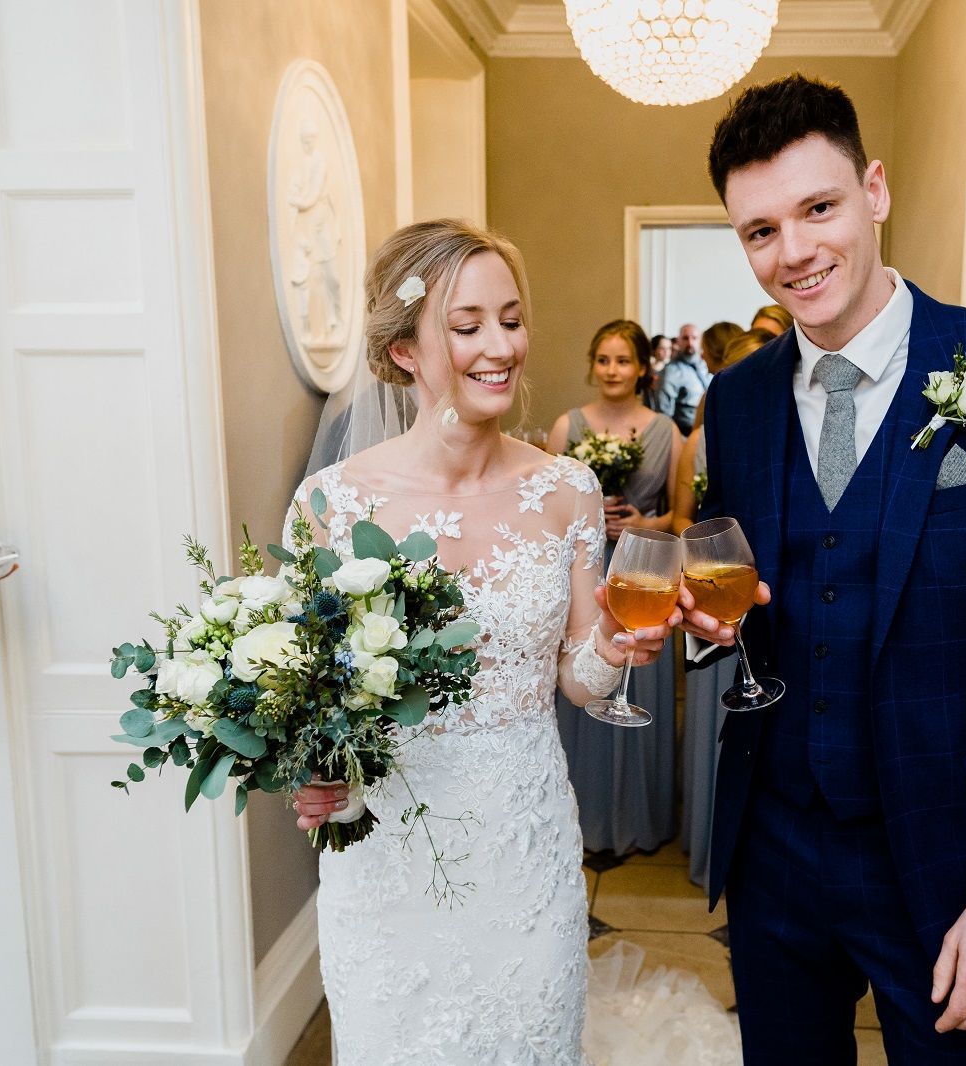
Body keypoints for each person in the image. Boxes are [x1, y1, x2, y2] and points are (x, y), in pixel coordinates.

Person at [679, 75, 966, 1064]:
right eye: (757, 231)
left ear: (873, 190)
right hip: (775, 851)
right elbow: (735, 584)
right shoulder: (737, 402)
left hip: (950, 865)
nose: (792, 253)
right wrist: (714, 629)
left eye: (817, 207)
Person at [286, 221, 735, 1064]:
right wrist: (312, 774)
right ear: (402, 351)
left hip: (524, 849)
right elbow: (309, 699)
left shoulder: (564, 490)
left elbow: (578, 680)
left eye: (512, 318)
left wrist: (614, 644)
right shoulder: (330, 505)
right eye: (467, 326)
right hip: (386, 858)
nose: (501, 346)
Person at [545, 321, 683, 854]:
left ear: (643, 368)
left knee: (638, 686)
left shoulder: (665, 430)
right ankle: (582, 821)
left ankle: (637, 821)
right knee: (583, 684)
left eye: (623, 361)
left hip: (644, 570)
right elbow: (547, 513)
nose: (612, 370)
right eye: (603, 359)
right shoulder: (567, 426)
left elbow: (679, 513)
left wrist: (642, 524)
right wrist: (589, 520)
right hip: (582, 571)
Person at [669, 327, 767, 889]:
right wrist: (715, 555)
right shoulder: (707, 437)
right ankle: (712, 847)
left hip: (776, 606)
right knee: (720, 728)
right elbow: (685, 516)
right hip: (719, 590)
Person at [655, 322, 712, 433]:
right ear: (678, 341)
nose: (690, 343)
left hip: (710, 432)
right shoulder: (671, 372)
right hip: (684, 433)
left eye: (694, 338)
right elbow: (664, 413)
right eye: (685, 338)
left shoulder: (707, 365)